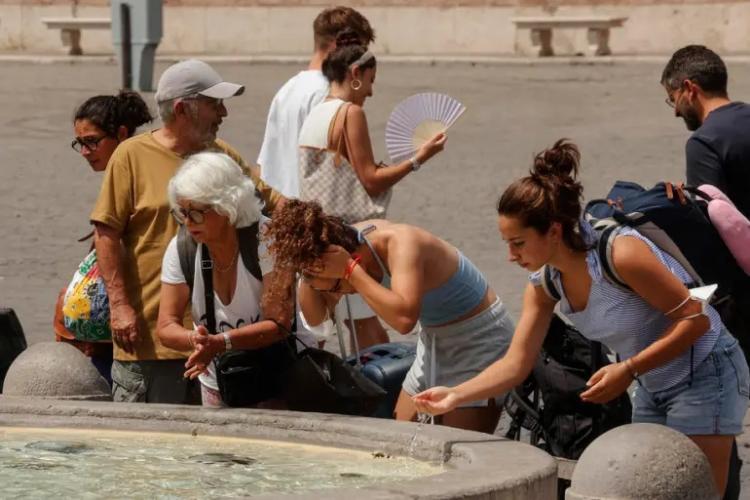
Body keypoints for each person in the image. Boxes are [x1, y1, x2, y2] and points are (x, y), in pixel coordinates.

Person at [412, 140, 749, 497]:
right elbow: (515, 364)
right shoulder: (545, 284)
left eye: (518, 243)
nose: (511, 256)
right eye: (506, 244)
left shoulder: (621, 253)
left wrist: (629, 369)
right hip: (654, 383)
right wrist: (455, 395)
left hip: (709, 372)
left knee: (698, 493)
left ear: (554, 231)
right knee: (646, 490)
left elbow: (697, 320)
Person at [89, 59, 283, 404]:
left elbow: (275, 204)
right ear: (182, 109)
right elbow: (106, 233)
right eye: (214, 104)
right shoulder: (130, 157)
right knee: (149, 452)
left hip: (220, 350)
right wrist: (119, 306)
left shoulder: (223, 156)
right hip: (149, 342)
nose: (223, 113)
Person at [264, 199, 515, 433]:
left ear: (354, 260)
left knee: (456, 454)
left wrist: (350, 272)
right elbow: (316, 317)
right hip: (433, 341)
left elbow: (404, 320)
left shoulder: (401, 242)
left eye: (336, 287)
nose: (336, 294)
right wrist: (309, 277)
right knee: (400, 444)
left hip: (479, 340)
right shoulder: (341, 247)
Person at [298, 32, 447, 349]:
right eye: (369, 80)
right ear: (354, 75)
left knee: (355, 328)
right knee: (372, 338)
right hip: (351, 238)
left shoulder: (317, 111)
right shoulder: (350, 113)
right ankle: (377, 397)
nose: (371, 91)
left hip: (319, 234)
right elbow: (371, 180)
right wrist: (418, 159)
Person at [662, 46, 750, 500]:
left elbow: (710, 225)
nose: (675, 110)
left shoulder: (706, 142)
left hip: (741, 295)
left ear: (688, 89)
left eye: (671, 99)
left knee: (719, 405)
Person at [157, 152, 294, 407]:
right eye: (182, 213)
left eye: (197, 212)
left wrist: (220, 342)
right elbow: (166, 326)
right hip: (218, 383)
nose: (188, 222)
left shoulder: (268, 240)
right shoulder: (182, 248)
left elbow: (279, 322)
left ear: (227, 205)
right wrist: (196, 340)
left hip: (275, 380)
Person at [55, 90, 153, 383]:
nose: (85, 152)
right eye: (79, 144)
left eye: (92, 142)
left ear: (122, 133)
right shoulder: (121, 173)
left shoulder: (139, 174)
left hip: (131, 325)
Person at [257, 5, 375, 198]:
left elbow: (267, 164)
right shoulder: (331, 93)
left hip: (282, 214)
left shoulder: (287, 89)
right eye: (357, 51)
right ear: (338, 47)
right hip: (315, 217)